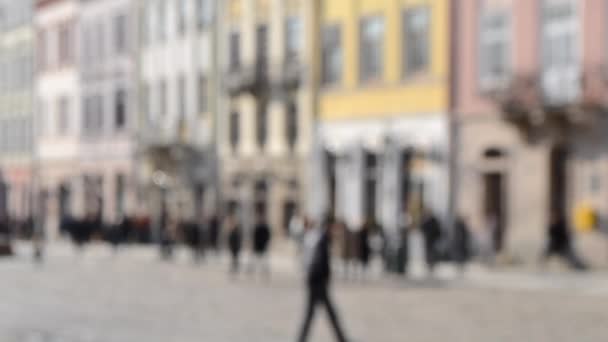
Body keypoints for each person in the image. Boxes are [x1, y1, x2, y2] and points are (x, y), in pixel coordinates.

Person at [297, 214, 349, 342]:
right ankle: (341, 338)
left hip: (314, 279)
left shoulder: (316, 237)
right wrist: (324, 277)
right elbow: (319, 261)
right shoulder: (322, 238)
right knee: (323, 313)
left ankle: (303, 338)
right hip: (317, 281)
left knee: (318, 313)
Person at [421, 210, 442, 275]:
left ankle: (431, 264)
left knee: (432, 253)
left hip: (432, 240)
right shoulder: (426, 220)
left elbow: (438, 230)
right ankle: (429, 264)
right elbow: (422, 228)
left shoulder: (433, 220)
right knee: (428, 252)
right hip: (428, 240)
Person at [250, 213, 272, 277]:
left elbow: (267, 236)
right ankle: (253, 269)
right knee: (255, 259)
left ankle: (264, 270)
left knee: (263, 260)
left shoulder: (264, 227)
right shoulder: (259, 227)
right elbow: (254, 236)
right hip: (258, 245)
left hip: (261, 245)